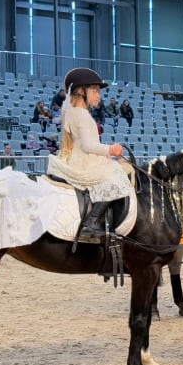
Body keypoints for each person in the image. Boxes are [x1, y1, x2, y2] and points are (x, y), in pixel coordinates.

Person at [46, 68, 130, 239]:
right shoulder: (82, 115)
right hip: (83, 162)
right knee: (116, 177)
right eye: (95, 91)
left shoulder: (75, 112)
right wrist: (110, 149)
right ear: (81, 92)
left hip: (79, 157)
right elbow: (88, 145)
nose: (99, 95)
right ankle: (91, 222)